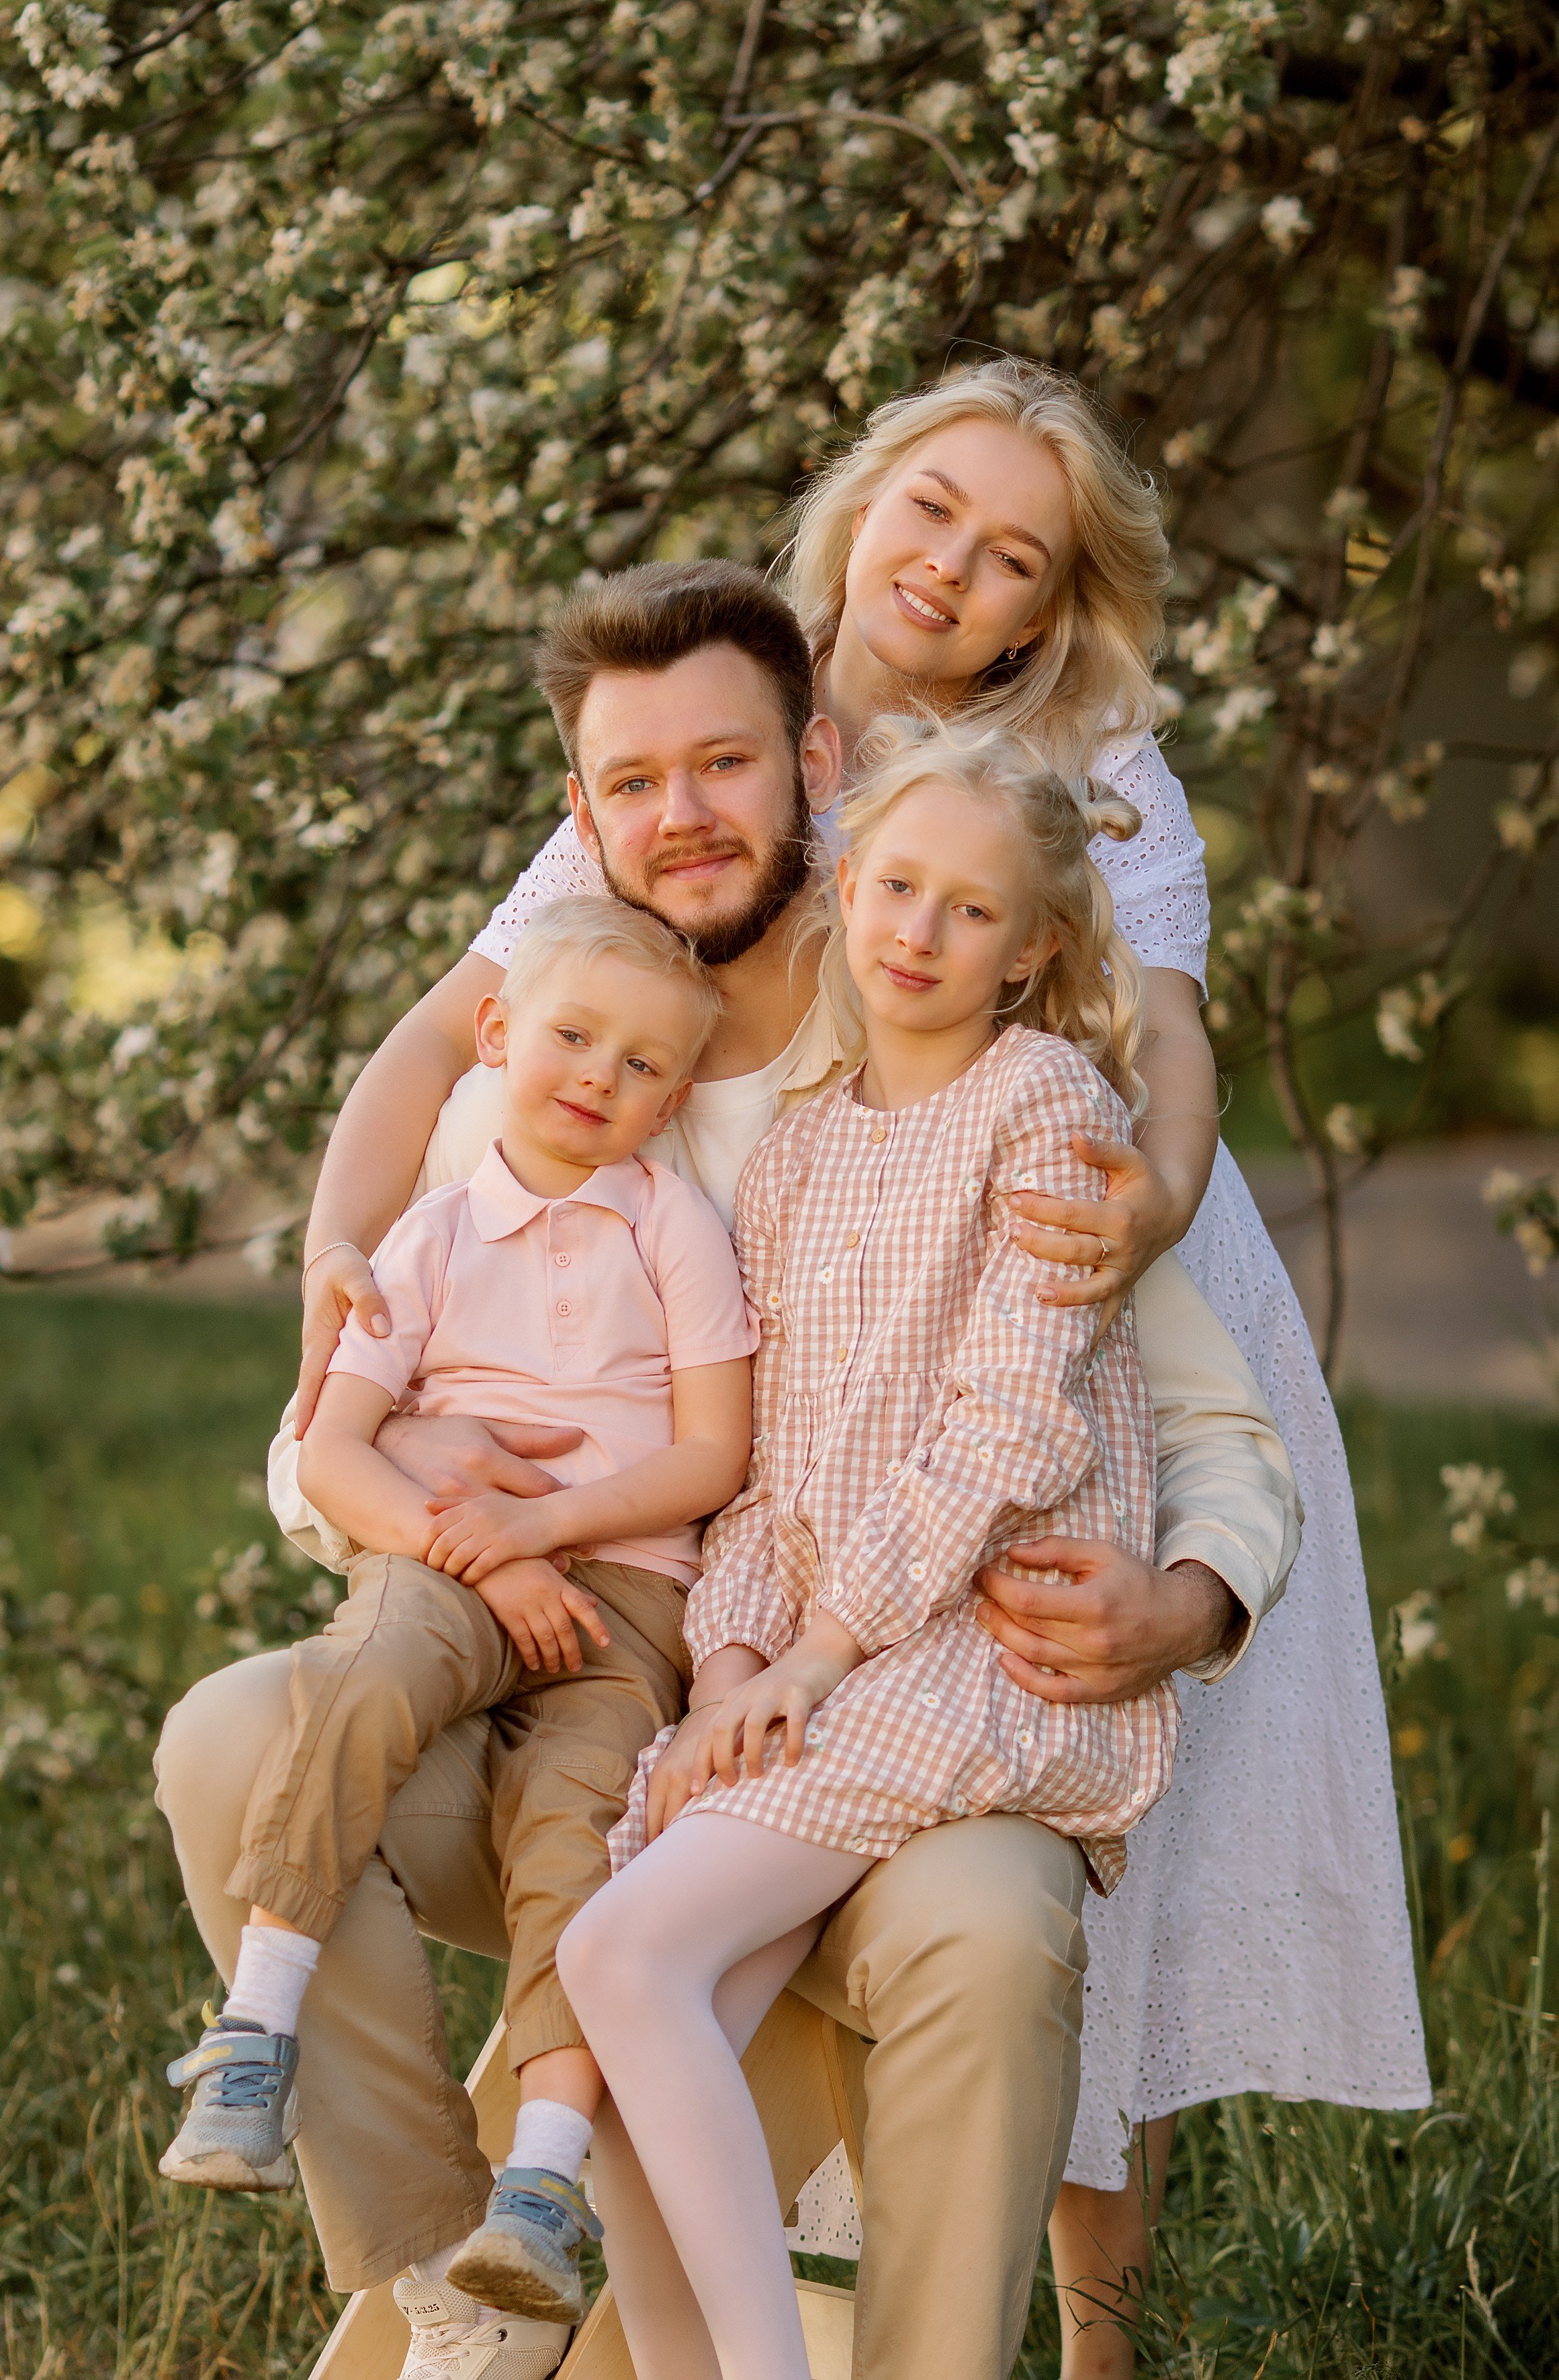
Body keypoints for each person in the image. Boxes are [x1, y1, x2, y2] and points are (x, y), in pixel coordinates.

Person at [160, 561, 1300, 2380]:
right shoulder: (554, 1076)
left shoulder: (966, 1069)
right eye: (631, 783)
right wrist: (431, 1481)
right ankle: (454, 2256)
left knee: (991, 1924)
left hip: (916, 1700)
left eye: (723, 767)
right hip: (608, 1694)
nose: (679, 817)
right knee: (233, 1733)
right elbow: (320, 1454)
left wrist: (1187, 1596)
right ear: (581, 816)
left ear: (814, 771)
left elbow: (1212, 1431)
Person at [473, 362, 1429, 2371]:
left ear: (1042, 612)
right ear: (861, 500)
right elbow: (497, 998)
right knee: (665, 1970)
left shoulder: (1075, 878)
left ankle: (1086, 2339)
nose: (954, 568)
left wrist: (1140, 1205)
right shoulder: (723, 719)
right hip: (825, 1504)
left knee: (1103, 1912)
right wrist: (352, 1270)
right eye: (933, 510)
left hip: (1072, 1330)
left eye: (1015, 557)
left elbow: (1156, 1045)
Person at [558, 714, 1177, 2380]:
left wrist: (821, 1653)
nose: (914, 930)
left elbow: (1011, 1428)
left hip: (975, 1652)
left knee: (618, 1948)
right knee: (622, 2009)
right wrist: (742, 1658)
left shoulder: (1043, 1103)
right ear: (847, 882)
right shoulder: (806, 1149)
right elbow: (758, 1480)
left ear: (1033, 944)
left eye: (968, 909)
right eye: (895, 884)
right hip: (826, 1654)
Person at [161, 901, 757, 2354]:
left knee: (579, 1829)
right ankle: (257, 2026)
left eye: (637, 1066)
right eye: (566, 1036)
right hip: (449, 1564)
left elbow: (710, 1456)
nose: (594, 1076)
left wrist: (539, 1532)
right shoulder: (422, 1238)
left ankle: (541, 2191)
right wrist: (475, 1557)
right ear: (494, 1036)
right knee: (364, 1676)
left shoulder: (673, 1222)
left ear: (671, 1101)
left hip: (624, 1595)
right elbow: (335, 1451)